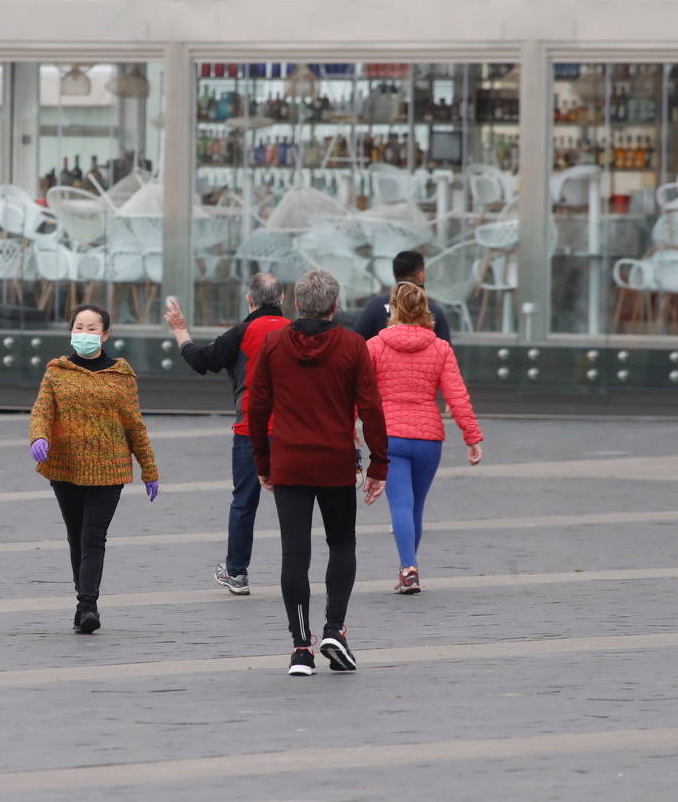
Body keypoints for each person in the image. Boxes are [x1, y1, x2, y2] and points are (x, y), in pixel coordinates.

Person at [248, 269, 388, 677]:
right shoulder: (352, 345)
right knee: (342, 542)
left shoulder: (274, 344)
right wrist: (379, 462)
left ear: (295, 303)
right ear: (335, 305)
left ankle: (300, 648)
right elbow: (371, 407)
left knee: (295, 553)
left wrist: (262, 461)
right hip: (336, 461)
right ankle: (334, 629)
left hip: (289, 461)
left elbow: (257, 408)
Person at [28, 304, 159, 635]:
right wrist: (39, 437)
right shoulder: (57, 371)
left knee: (93, 538)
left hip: (109, 468)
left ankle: (87, 606)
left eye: (91, 328)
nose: (84, 334)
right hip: (65, 468)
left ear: (105, 335)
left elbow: (134, 424)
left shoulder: (121, 375)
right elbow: (41, 411)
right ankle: (83, 601)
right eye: (79, 327)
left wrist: (149, 469)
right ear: (71, 331)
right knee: (76, 537)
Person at [164, 274, 288, 597]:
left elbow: (201, 361)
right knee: (293, 502)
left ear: (250, 299)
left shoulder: (242, 333)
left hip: (251, 428)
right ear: (284, 299)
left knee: (245, 501)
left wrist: (180, 330)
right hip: (292, 430)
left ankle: (237, 573)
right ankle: (295, 571)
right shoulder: (296, 333)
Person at [367, 282, 484, 596]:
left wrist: (351, 427)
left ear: (393, 308)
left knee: (400, 505)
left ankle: (408, 568)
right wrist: (471, 437)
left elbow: (360, 392)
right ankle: (409, 567)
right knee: (416, 505)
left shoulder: (375, 346)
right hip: (428, 436)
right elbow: (457, 396)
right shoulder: (440, 348)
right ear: (424, 310)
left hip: (389, 434)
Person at [353, 251, 452, 342]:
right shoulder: (433, 311)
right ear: (421, 275)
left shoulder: (375, 306)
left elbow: (356, 342)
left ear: (393, 274)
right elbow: (446, 351)